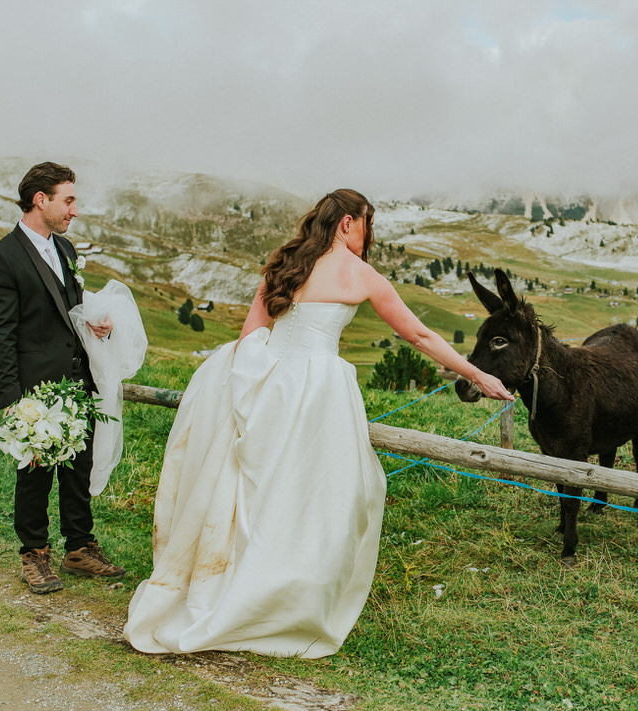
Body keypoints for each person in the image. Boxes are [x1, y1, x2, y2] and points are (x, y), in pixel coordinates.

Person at [124, 189, 512, 658]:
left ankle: (231, 588)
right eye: (367, 222)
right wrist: (476, 373)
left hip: (268, 380)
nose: (368, 233)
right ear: (348, 222)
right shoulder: (360, 274)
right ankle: (288, 597)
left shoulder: (287, 263)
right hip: (319, 389)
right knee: (320, 494)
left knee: (254, 492)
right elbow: (419, 334)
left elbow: (251, 334)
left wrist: (249, 386)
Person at [0, 162, 125, 595]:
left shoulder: (66, 250)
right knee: (36, 471)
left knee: (79, 468)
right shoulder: (1, 257)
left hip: (79, 379)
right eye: (69, 200)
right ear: (41, 200)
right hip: (35, 387)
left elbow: (69, 309)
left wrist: (94, 324)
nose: (74, 210)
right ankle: (34, 553)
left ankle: (79, 548)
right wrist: (11, 401)